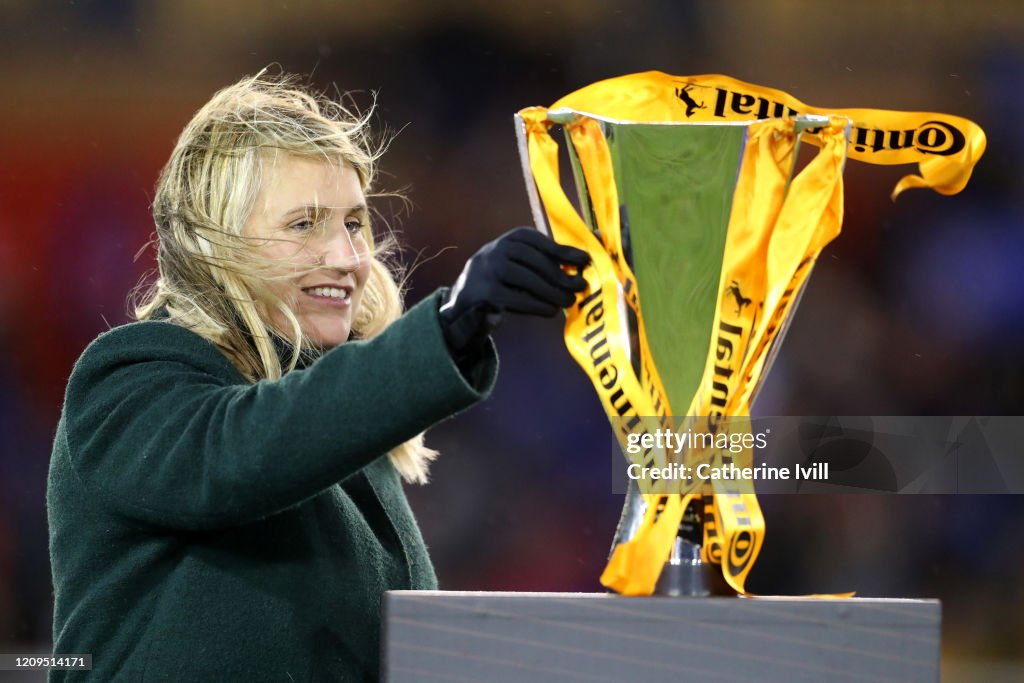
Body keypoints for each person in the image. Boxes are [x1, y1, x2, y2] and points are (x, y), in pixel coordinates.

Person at [47, 72, 588, 682]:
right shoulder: (128, 378)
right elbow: (239, 454)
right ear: (212, 241)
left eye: (354, 224)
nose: (347, 258)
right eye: (304, 224)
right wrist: (450, 323)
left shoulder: (348, 438)